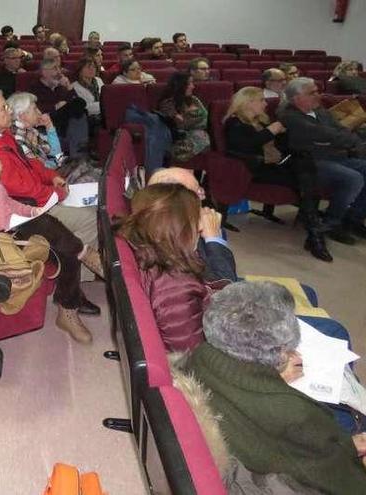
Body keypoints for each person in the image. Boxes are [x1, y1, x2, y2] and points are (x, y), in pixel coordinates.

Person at [185, 280, 366, 494]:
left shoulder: (201, 355)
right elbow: (338, 478)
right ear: (278, 352)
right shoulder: (294, 411)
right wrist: (350, 449)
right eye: (287, 348)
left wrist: (271, 377)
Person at [0, 125, 100, 342]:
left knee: (57, 237)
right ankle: (73, 292)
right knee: (56, 235)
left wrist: (30, 211)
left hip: (12, 226)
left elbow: (8, 203)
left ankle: (70, 300)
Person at [0, 89, 102, 276]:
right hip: (26, 210)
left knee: (93, 207)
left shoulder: (4, 134)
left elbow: (31, 163)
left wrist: (51, 177)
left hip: (39, 197)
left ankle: (79, 269)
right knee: (91, 218)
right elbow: (17, 188)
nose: (9, 111)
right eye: (4, 108)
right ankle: (77, 277)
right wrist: (55, 193)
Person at [115, 183, 228, 351]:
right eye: (196, 219)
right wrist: (214, 238)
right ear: (179, 228)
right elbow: (189, 353)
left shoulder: (152, 250)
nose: (201, 226)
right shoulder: (176, 288)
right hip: (205, 351)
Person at [223, 87, 331, 261]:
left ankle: (314, 232)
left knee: (306, 168)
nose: (265, 104)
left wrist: (284, 133)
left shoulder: (262, 120)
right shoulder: (234, 123)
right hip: (256, 168)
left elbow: (281, 145)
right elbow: (245, 146)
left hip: (276, 164)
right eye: (261, 100)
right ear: (248, 103)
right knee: (308, 181)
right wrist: (271, 131)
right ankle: (315, 233)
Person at [279, 77, 366, 242]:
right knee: (353, 178)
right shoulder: (289, 115)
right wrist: (341, 140)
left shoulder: (320, 110)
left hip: (335, 156)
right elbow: (325, 134)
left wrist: (344, 140)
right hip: (310, 162)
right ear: (297, 98)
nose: (318, 95)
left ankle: (353, 218)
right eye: (312, 93)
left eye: (317, 91)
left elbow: (341, 129)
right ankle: (331, 223)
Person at [146, 167, 238, 282]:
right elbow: (226, 287)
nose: (203, 196)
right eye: (197, 191)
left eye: (200, 189)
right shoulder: (174, 251)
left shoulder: (179, 227)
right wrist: (214, 239)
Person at [30, 59, 91, 158]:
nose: (59, 72)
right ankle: (79, 157)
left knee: (79, 111)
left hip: (65, 120)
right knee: (79, 111)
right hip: (49, 119)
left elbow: (79, 103)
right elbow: (34, 109)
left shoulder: (60, 87)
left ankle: (78, 156)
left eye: (59, 68)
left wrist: (69, 86)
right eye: (55, 68)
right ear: (44, 72)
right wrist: (55, 106)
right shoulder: (35, 87)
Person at [158, 72, 210, 163]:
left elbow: (208, 117)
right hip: (181, 138)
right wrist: (201, 120)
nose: (193, 86)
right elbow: (181, 124)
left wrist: (193, 120)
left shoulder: (194, 99)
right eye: (189, 84)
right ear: (180, 86)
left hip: (203, 133)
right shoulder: (168, 104)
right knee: (201, 136)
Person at [71, 58, 104, 123]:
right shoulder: (74, 86)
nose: (92, 69)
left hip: (103, 114)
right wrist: (103, 105)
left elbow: (106, 98)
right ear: (80, 70)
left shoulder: (99, 80)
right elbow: (85, 108)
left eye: (94, 67)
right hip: (88, 119)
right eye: (88, 67)